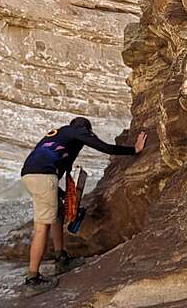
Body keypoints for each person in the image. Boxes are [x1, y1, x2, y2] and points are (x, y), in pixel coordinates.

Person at [19, 117, 147, 287]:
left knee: (58, 213)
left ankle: (61, 258)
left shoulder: (57, 135)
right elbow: (104, 147)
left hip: (31, 174)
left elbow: (42, 162)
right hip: (43, 176)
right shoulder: (77, 131)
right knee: (42, 228)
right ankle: (32, 278)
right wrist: (134, 149)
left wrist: (64, 194)